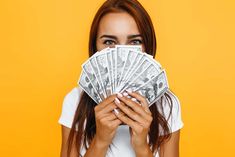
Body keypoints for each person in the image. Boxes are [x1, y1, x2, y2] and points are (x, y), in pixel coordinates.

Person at [58, 0, 184, 157]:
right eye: (109, 42)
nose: (122, 53)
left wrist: (141, 147)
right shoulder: (75, 101)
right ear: (94, 47)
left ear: (148, 46)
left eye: (135, 41)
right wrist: (101, 141)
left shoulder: (166, 105)